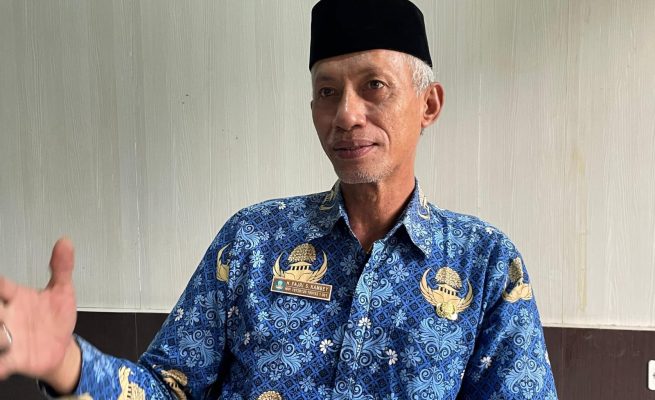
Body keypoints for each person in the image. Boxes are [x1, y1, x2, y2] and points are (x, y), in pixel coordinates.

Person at [0, 0, 557, 398]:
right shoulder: (253, 239)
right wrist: (67, 363)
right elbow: (169, 389)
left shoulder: (485, 265)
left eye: (374, 86)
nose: (346, 114)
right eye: (327, 91)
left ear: (428, 105)